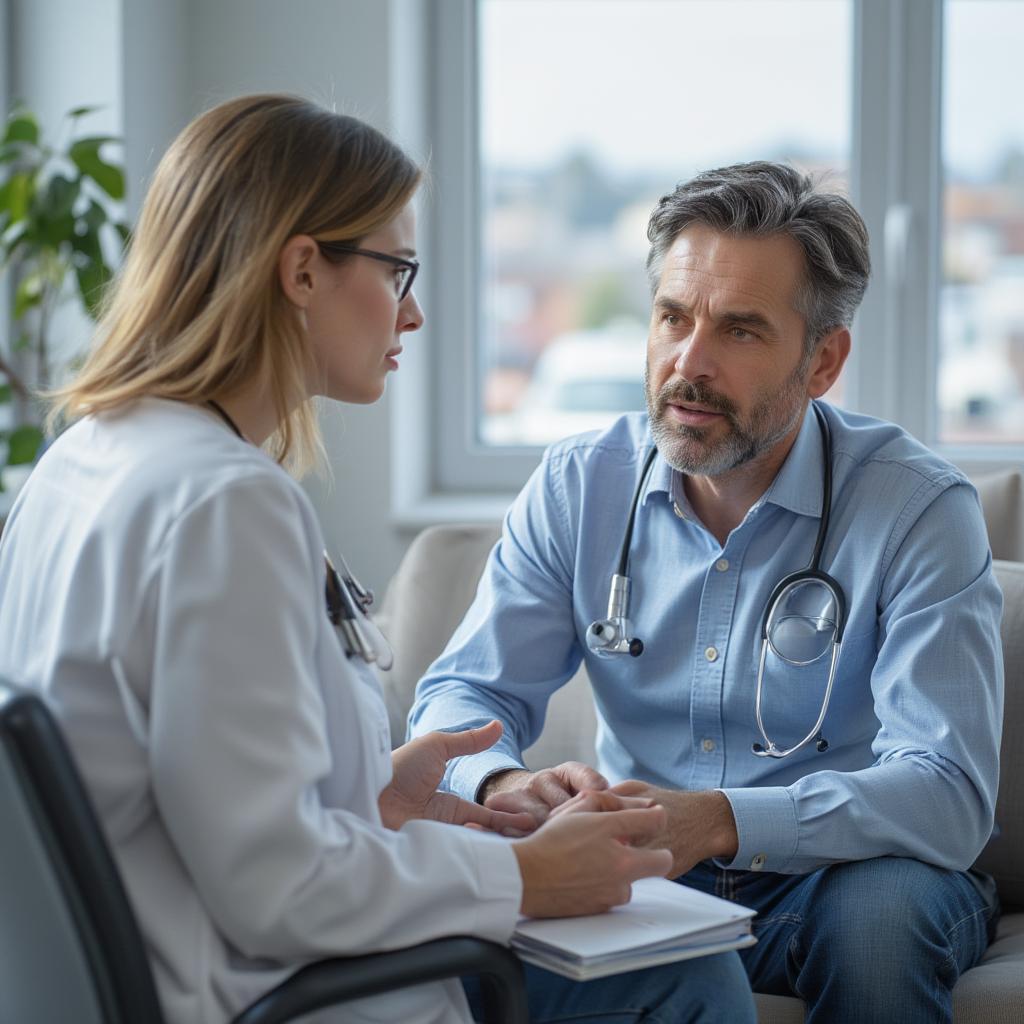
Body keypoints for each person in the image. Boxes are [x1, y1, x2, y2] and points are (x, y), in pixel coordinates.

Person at [0, 96, 757, 1024]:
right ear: (303, 271)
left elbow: (186, 784)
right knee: (686, 977)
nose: (415, 310)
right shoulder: (225, 503)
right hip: (263, 993)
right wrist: (525, 874)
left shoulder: (84, 459)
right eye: (398, 269)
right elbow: (276, 888)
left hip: (160, 968)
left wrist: (377, 786)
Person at [409, 161, 1005, 1024]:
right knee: (463, 914)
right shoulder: (582, 484)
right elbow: (460, 696)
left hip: (845, 878)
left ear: (823, 360)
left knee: (879, 926)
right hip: (645, 870)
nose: (690, 363)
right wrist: (500, 782)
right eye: (672, 318)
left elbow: (944, 790)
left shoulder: (916, 508)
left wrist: (722, 819)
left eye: (741, 331)